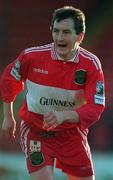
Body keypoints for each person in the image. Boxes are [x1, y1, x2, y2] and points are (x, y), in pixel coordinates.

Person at [0, 6, 105, 180]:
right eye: (56, 31)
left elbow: (96, 106)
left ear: (80, 36)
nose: (59, 38)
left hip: (71, 134)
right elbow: (9, 79)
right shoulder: (32, 57)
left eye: (66, 32)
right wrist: (8, 115)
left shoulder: (91, 64)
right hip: (36, 131)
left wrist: (65, 116)